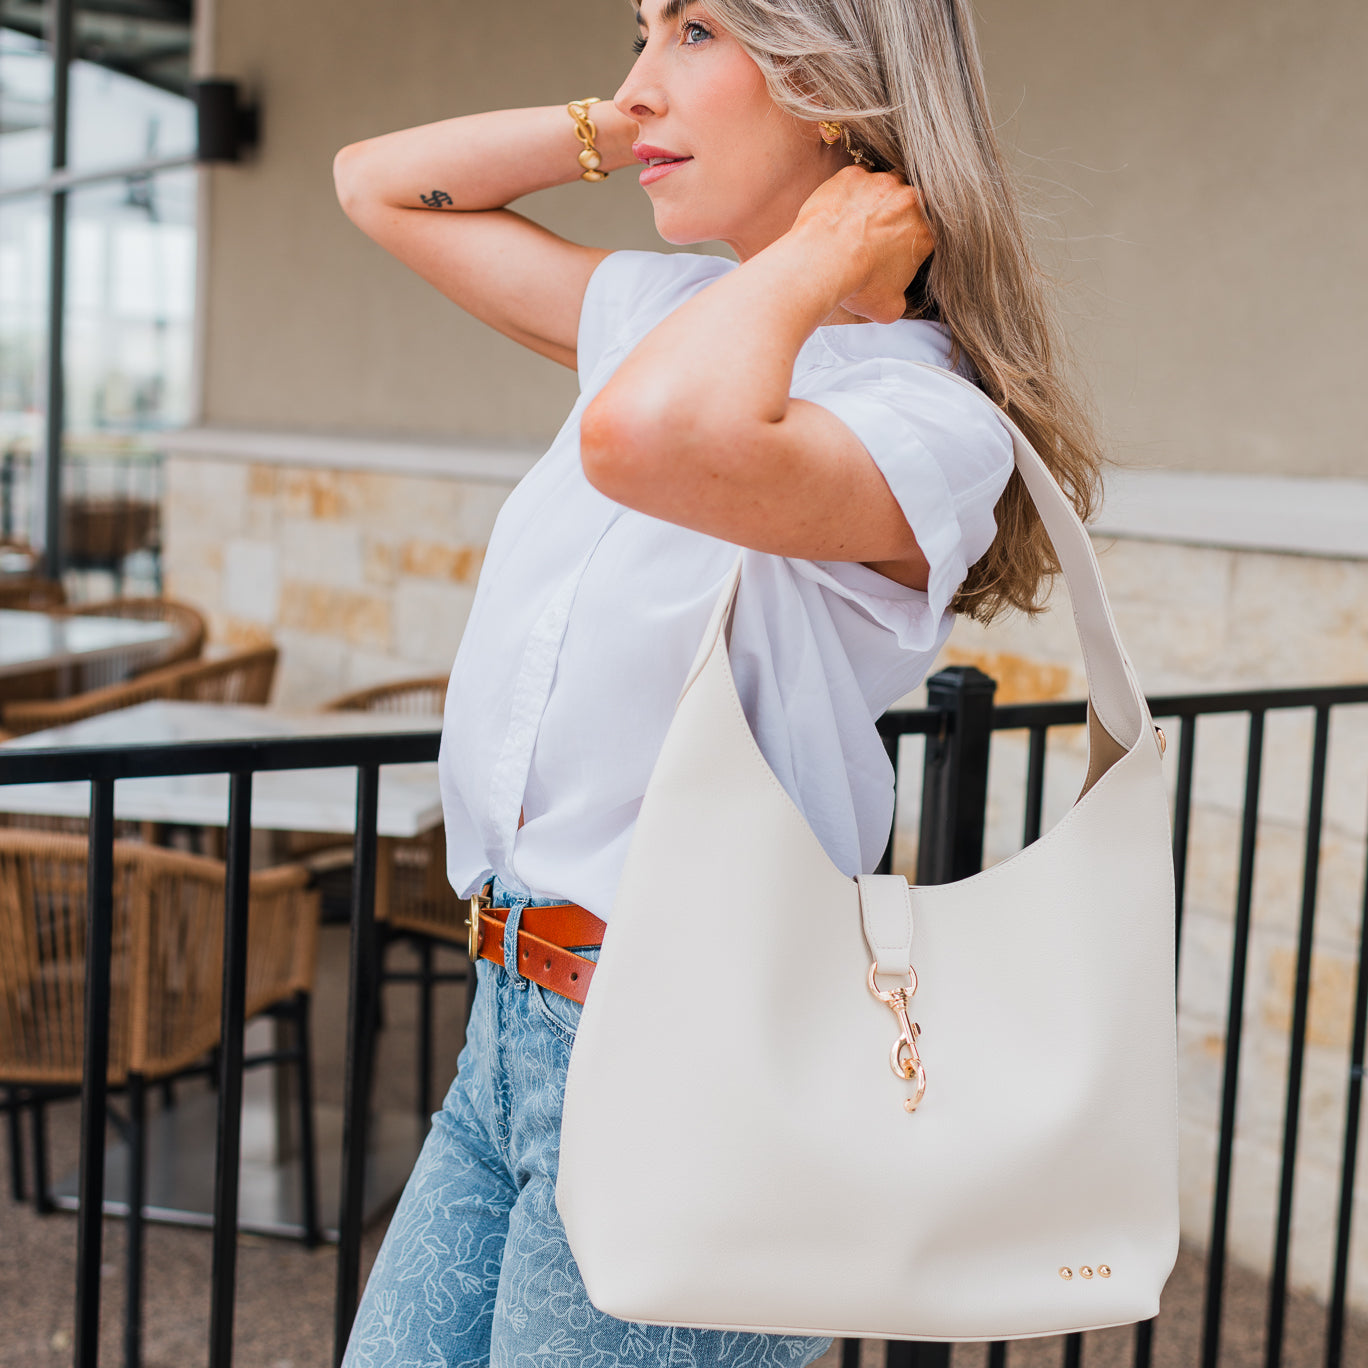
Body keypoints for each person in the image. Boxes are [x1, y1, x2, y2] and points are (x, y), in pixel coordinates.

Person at [332, 1, 1103, 1363]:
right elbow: (375, 184)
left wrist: (823, 255)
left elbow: (643, 439)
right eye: (637, 31)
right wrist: (619, 125)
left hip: (693, 1060)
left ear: (836, 83)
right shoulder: (669, 316)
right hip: (512, 1019)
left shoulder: (927, 423)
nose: (638, 81)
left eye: (693, 31)